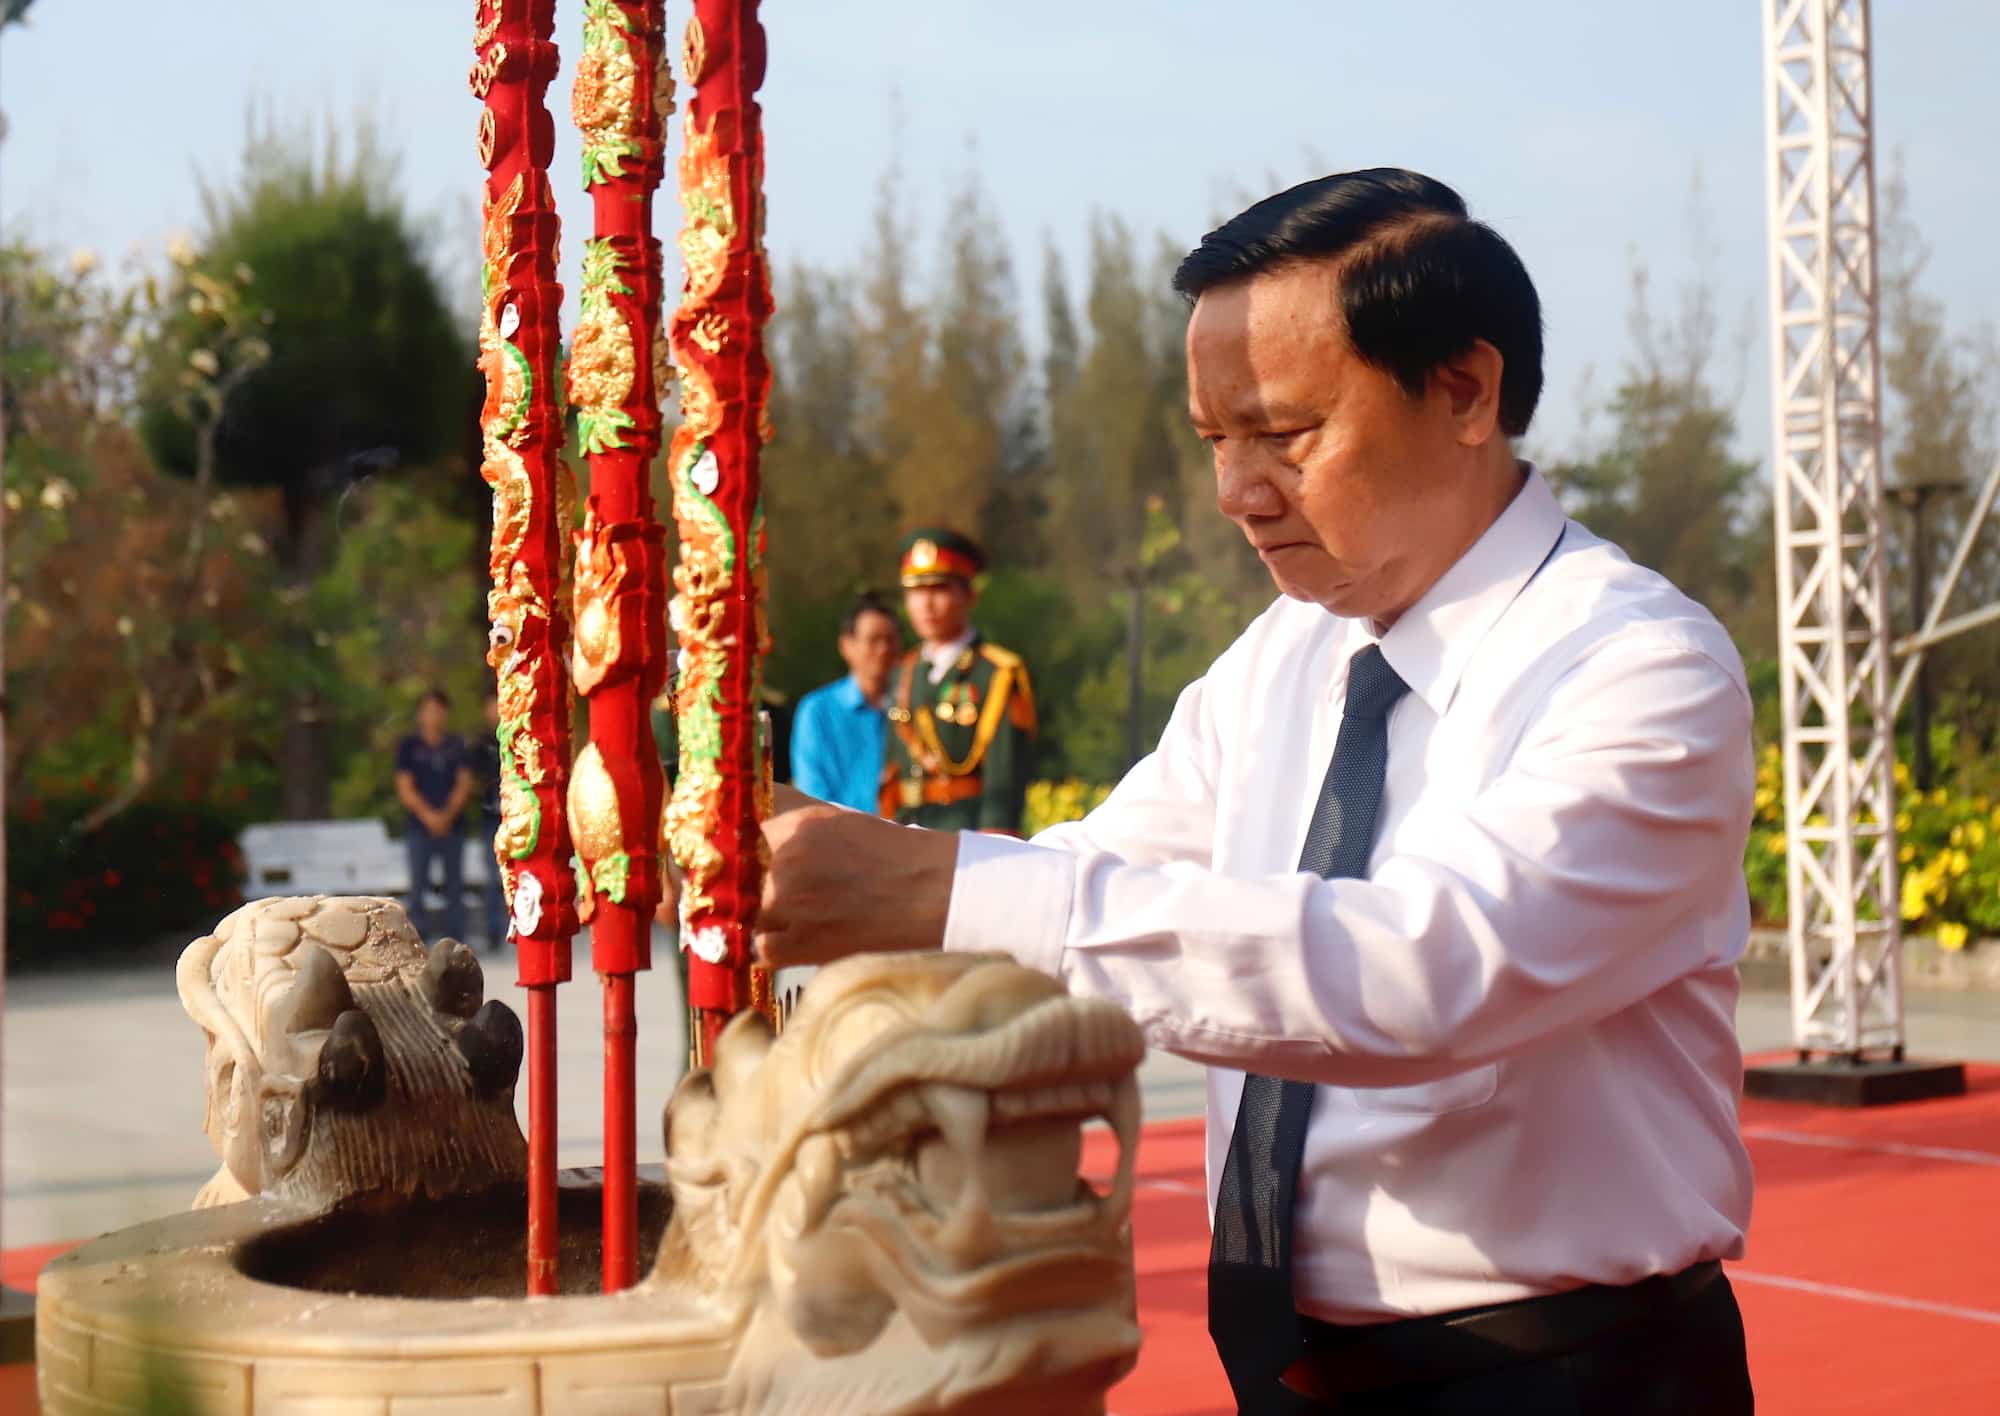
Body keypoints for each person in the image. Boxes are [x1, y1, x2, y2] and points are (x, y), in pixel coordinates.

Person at [751, 170, 1756, 1413]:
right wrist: (844, 898)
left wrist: (929, 885)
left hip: (1557, 1375)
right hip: (1288, 1372)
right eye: (1213, 440)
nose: (1237, 493)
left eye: (1282, 433)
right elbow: (1097, 878)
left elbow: (1423, 970)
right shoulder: (1289, 653)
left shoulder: (1635, 668)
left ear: (1463, 390)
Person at [882, 529, 1037, 834]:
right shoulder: (905, 672)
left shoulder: (996, 673)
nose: (926, 604)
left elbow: (1003, 781)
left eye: (939, 589)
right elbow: (893, 770)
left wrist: (996, 848)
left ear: (969, 595)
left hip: (965, 836)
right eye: (915, 591)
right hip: (907, 831)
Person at [789, 591, 903, 813]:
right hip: (839, 838)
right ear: (846, 646)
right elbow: (813, 791)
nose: (883, 649)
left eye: (890, 639)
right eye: (873, 640)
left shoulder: (911, 704)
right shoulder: (817, 711)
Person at [394, 688, 476, 944]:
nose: (434, 715)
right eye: (428, 709)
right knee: (418, 885)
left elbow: (465, 783)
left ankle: (455, 940)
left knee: (455, 885)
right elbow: (405, 786)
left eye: (439, 709)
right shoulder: (409, 747)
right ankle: (417, 940)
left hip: (453, 826)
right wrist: (429, 816)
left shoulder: (457, 746)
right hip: (419, 828)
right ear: (420, 714)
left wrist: (447, 815)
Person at [471, 689, 508, 952]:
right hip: (490, 819)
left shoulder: (519, 738)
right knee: (494, 879)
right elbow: (470, 781)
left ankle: (518, 927)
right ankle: (495, 931)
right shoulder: (480, 745)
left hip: (517, 818)